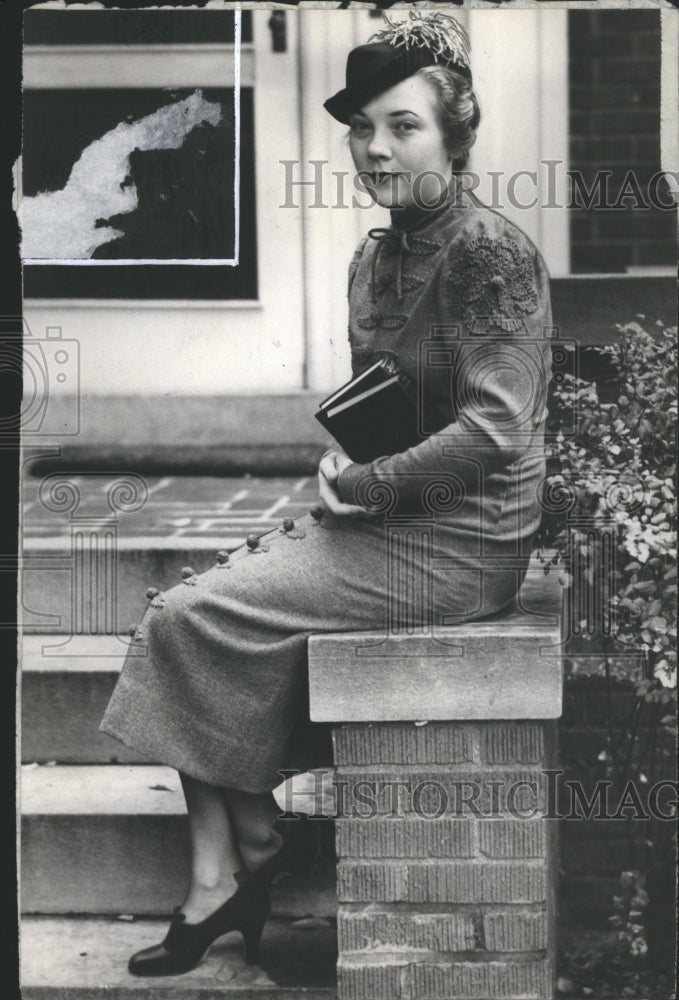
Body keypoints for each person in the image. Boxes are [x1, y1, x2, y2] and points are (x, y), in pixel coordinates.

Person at [99, 10, 553, 977]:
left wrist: (367, 483)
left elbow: (497, 428)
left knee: (186, 611)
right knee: (188, 614)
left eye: (403, 125)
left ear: (454, 136)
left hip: (464, 543)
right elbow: (385, 409)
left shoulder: (489, 254)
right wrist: (346, 469)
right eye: (361, 127)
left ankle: (239, 858)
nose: (376, 148)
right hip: (397, 520)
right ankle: (226, 866)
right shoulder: (371, 259)